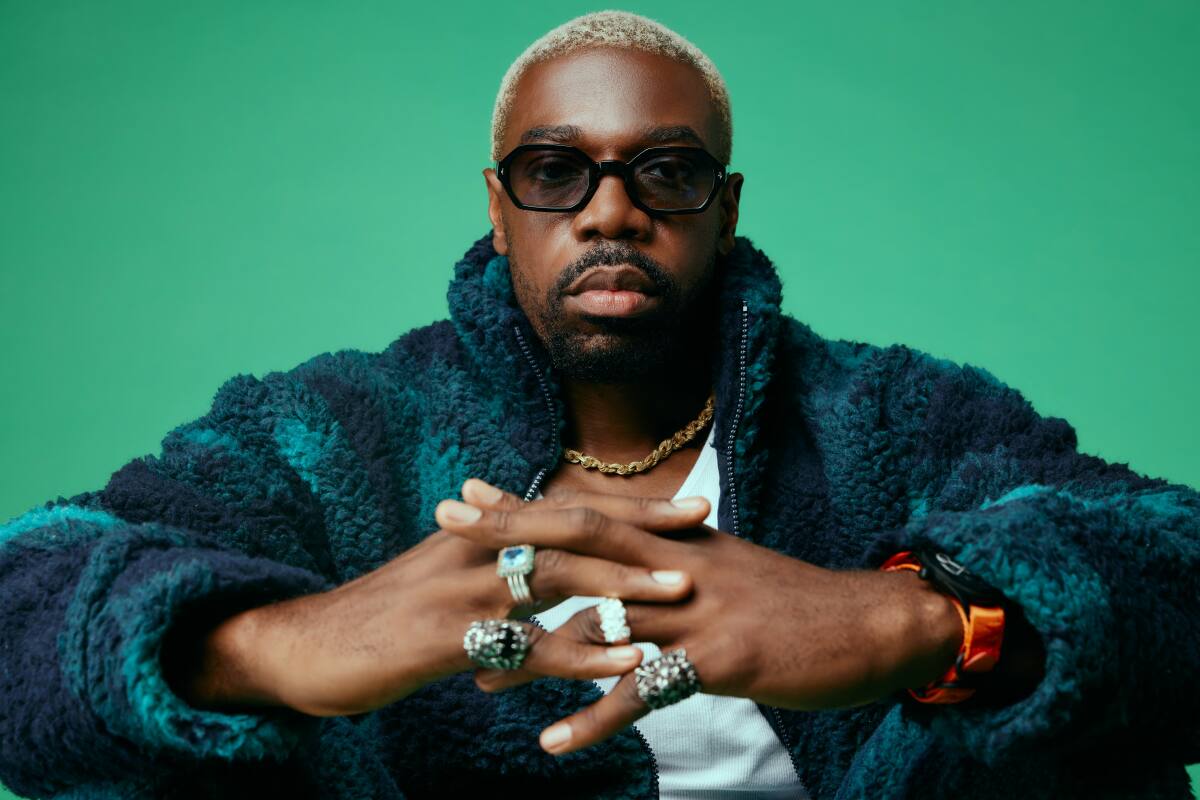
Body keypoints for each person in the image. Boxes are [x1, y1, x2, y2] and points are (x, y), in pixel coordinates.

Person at [1, 10, 1197, 800]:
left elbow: (1173, 566)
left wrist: (916, 623)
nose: (611, 210)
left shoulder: (897, 418)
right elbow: (26, 605)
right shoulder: (336, 435)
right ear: (498, 206)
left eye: (666, 171)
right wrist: (277, 646)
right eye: (555, 170)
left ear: (725, 207)